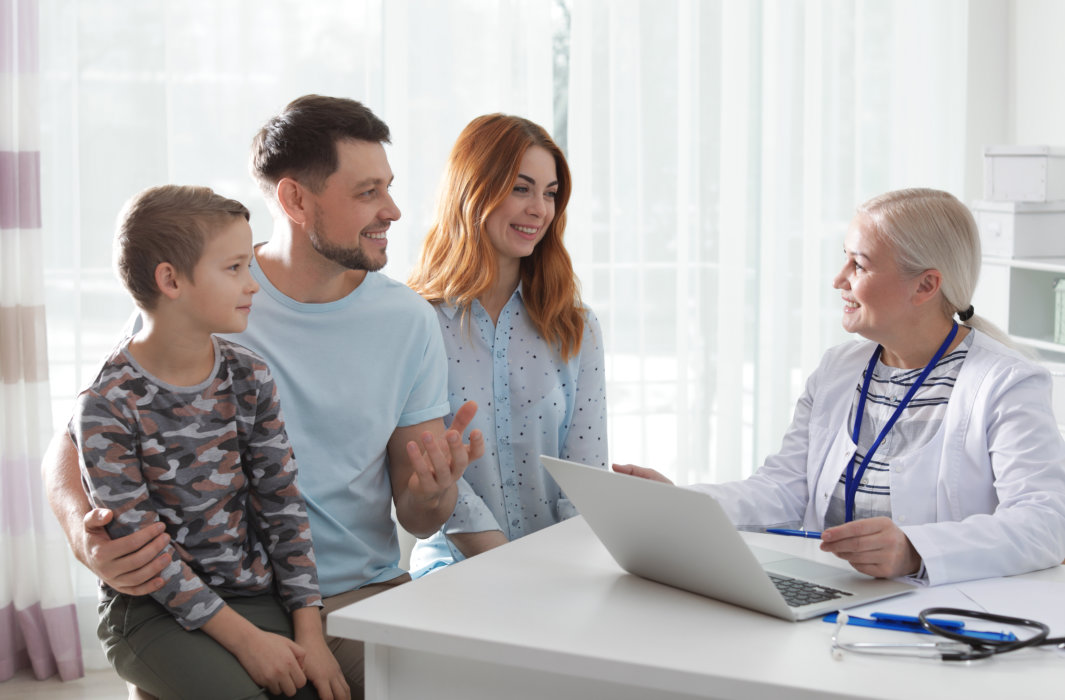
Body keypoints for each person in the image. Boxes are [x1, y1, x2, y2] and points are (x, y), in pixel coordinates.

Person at [43, 95, 484, 698]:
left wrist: (434, 494)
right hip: (222, 597)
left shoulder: (406, 321)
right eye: (367, 192)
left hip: (359, 590)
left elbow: (415, 513)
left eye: (389, 187)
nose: (394, 210)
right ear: (295, 200)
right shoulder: (204, 296)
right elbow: (74, 442)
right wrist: (84, 533)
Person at [615, 188, 1065, 586]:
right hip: (828, 594)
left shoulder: (1007, 383)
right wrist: (681, 504)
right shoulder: (838, 370)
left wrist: (915, 550)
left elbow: (1045, 522)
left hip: (938, 613)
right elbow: (784, 490)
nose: (838, 279)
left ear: (926, 285)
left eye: (860, 264)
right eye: (844, 258)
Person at [69, 185, 345, 699]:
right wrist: (248, 643)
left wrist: (312, 631)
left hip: (251, 593)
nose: (253, 285)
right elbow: (146, 557)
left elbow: (281, 507)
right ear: (170, 279)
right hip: (149, 610)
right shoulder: (106, 406)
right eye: (235, 268)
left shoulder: (250, 377)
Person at [406, 114, 607, 575]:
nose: (539, 208)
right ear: (473, 190)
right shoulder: (417, 322)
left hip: (562, 572)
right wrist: (517, 573)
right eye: (521, 188)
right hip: (453, 574)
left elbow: (587, 478)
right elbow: (438, 481)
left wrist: (567, 577)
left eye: (550, 193)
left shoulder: (577, 327)